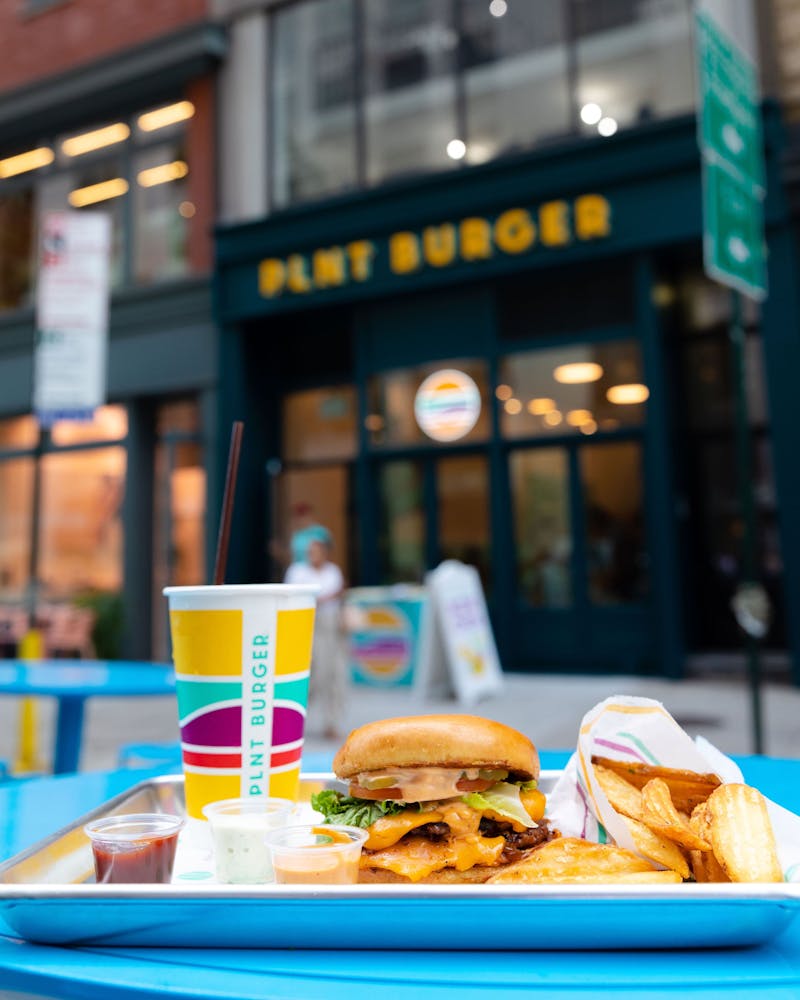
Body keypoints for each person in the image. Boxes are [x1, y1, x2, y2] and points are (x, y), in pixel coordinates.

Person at [284, 537, 346, 740]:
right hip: (305, 625)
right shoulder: (298, 571)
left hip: (330, 626)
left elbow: (336, 594)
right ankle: (294, 721)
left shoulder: (332, 571)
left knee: (333, 676)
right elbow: (295, 597)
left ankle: (331, 722)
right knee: (308, 675)